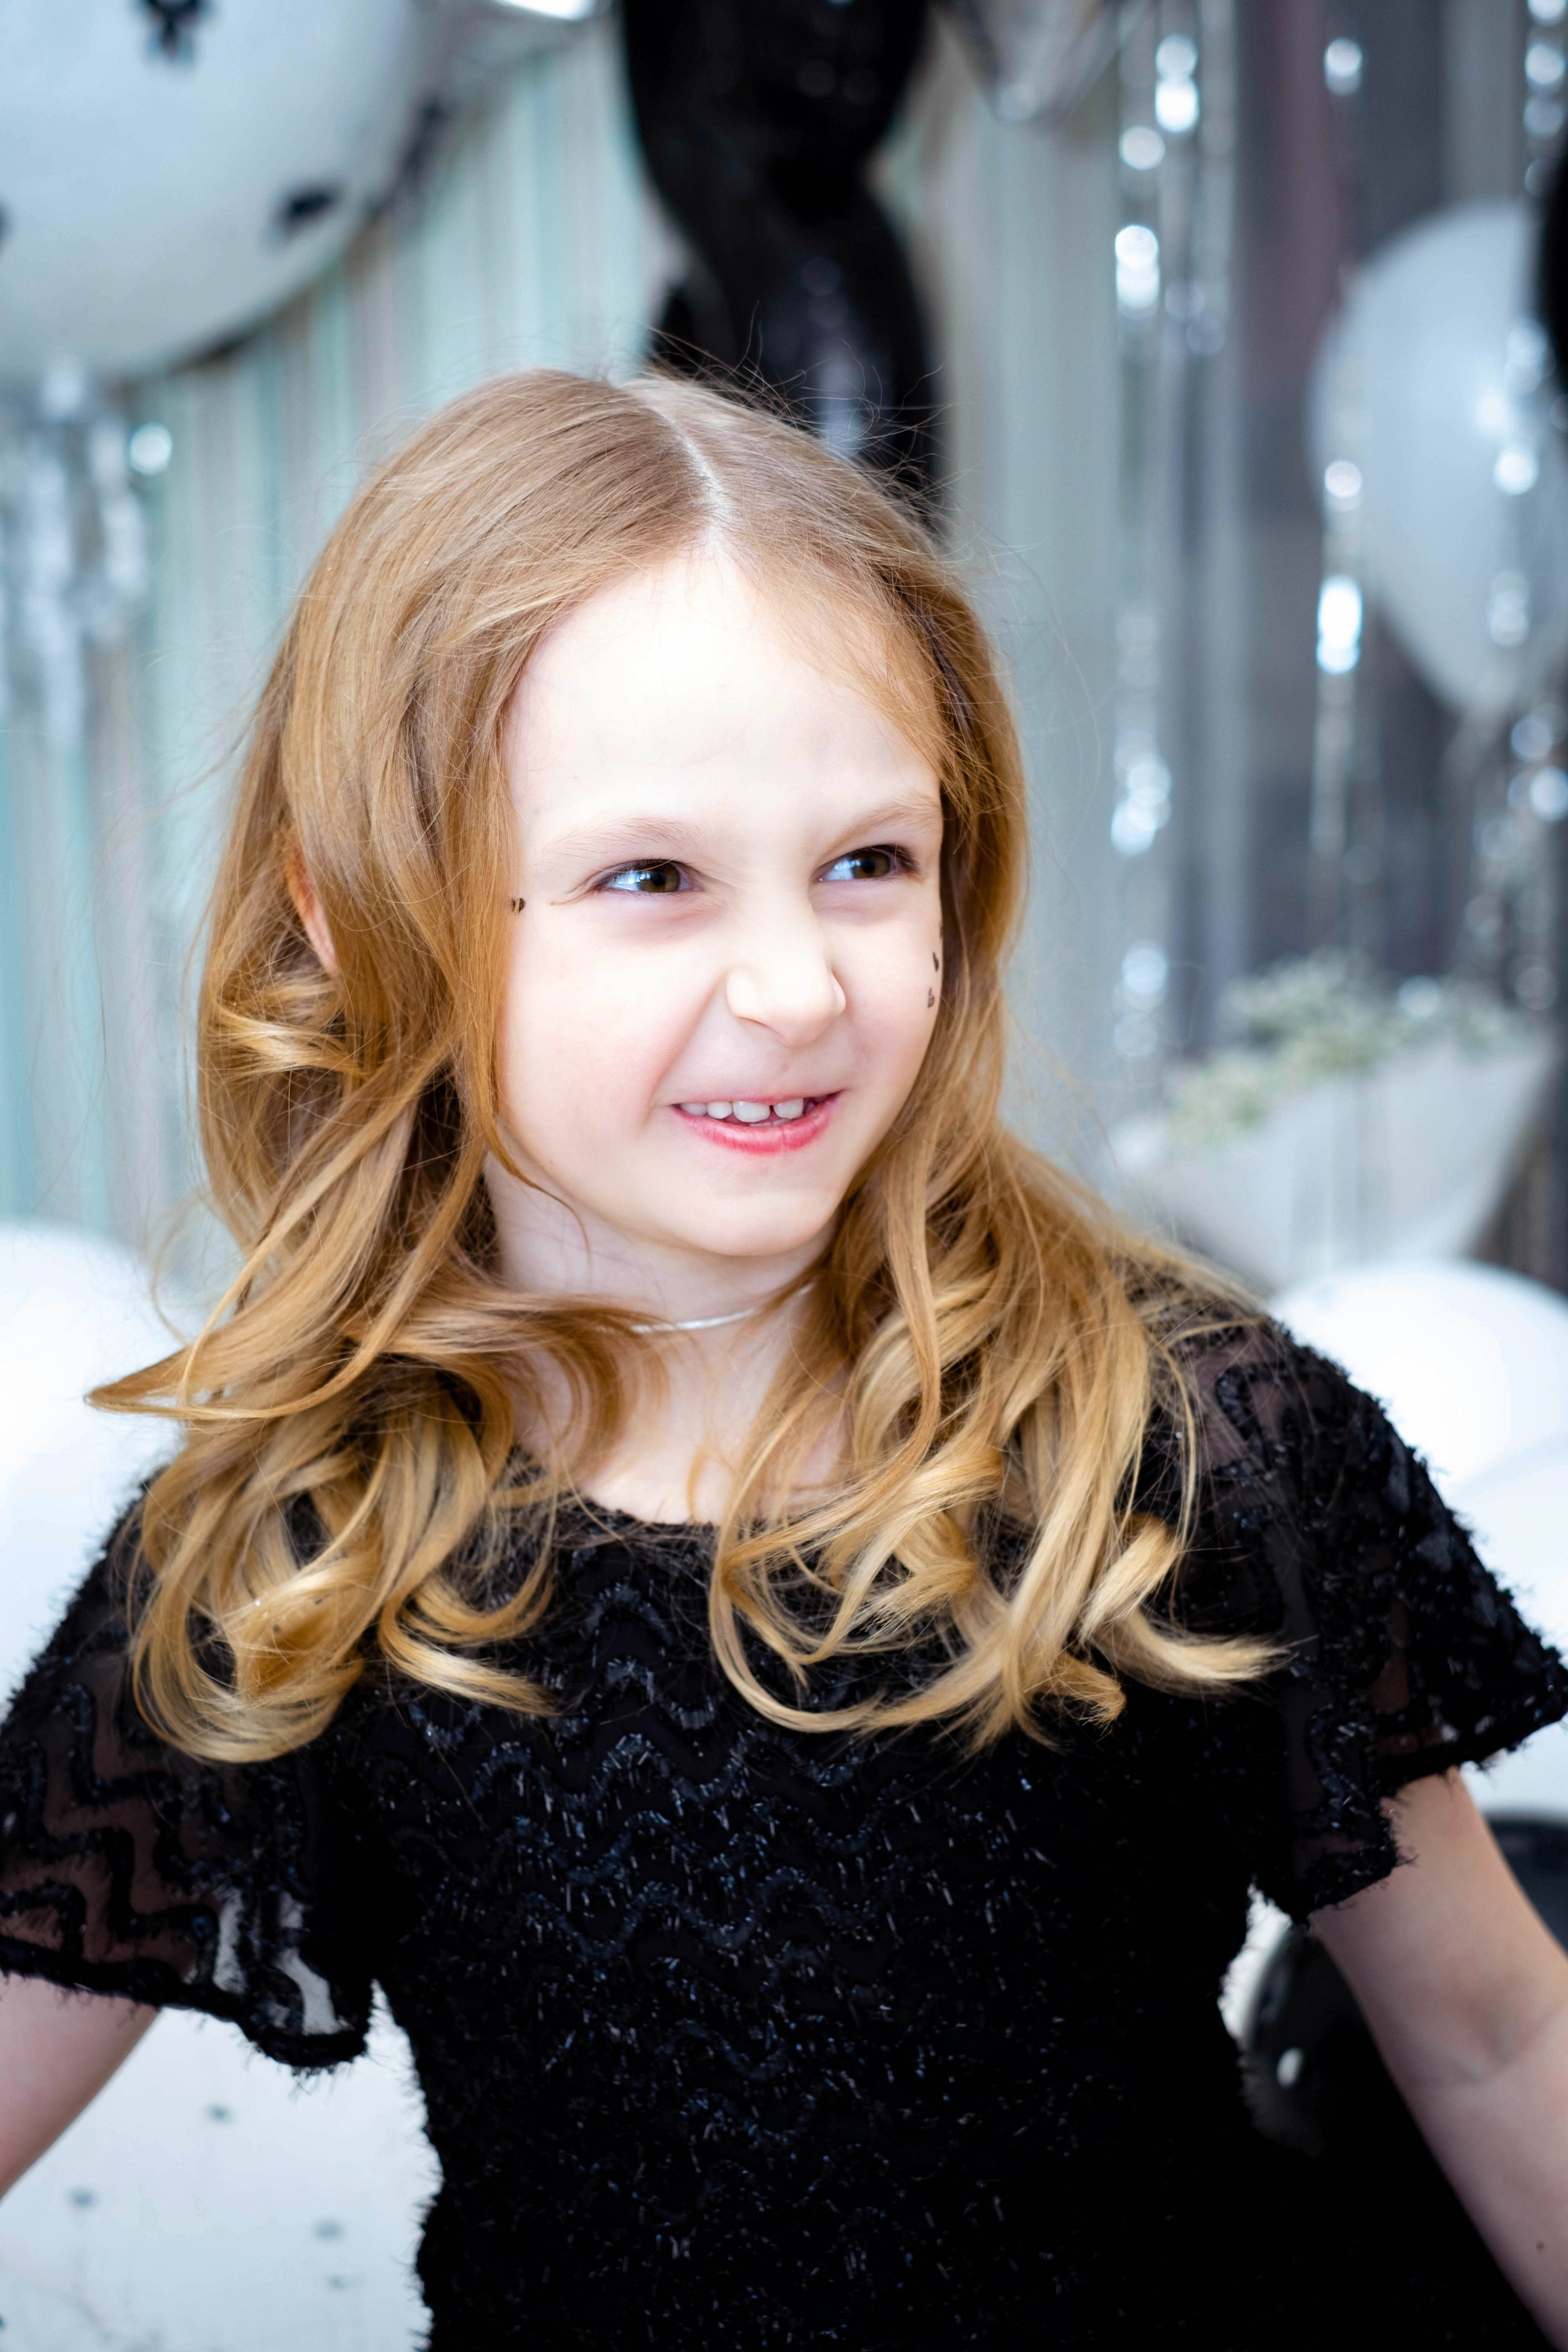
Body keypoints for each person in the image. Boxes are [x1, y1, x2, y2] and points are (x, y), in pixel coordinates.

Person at [2, 372, 1566, 2351]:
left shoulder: (1177, 1432)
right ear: (363, 912)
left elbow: (1495, 2039)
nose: (796, 984)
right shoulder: (294, 1547)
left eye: (867, 862)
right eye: (651, 879)